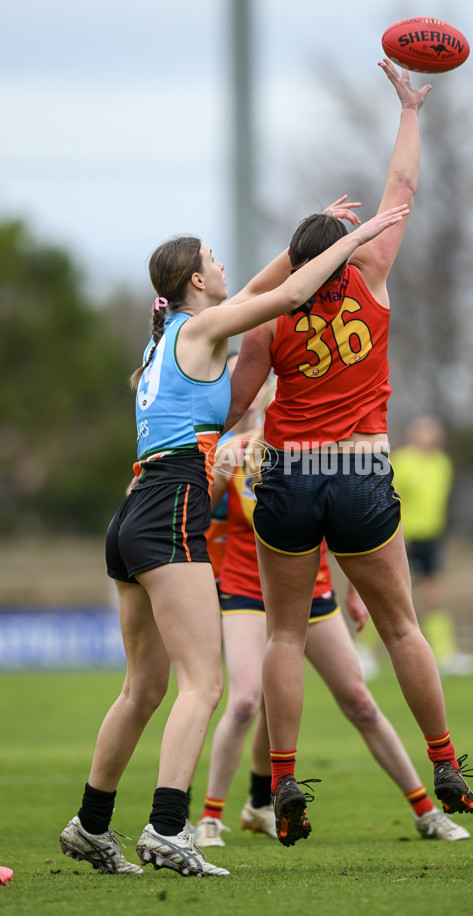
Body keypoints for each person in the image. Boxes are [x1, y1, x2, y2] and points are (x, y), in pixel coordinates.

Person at [58, 202, 411, 877]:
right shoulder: (204, 328)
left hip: (134, 510)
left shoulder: (168, 338)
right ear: (195, 282)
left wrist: (308, 233)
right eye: (214, 258)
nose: (224, 265)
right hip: (172, 508)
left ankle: (90, 825)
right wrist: (358, 239)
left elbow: (260, 290)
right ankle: (167, 830)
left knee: (142, 689)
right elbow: (291, 294)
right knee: (204, 685)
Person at [225, 61, 473, 847]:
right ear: (350, 248)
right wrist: (409, 110)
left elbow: (236, 406)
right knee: (404, 629)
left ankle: (286, 772)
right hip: (362, 470)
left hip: (293, 477)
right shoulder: (371, 278)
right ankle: (442, 761)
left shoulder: (272, 319)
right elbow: (401, 191)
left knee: (285, 635)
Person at [192, 419, 471, 849]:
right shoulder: (235, 453)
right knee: (247, 700)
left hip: (316, 594)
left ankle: (426, 811)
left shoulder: (327, 451)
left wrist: (357, 589)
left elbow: (352, 525)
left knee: (360, 703)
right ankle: (211, 817)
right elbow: (200, 522)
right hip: (247, 592)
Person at [391, 415, 473, 676]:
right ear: (413, 434)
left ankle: (445, 653)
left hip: (433, 538)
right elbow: (391, 499)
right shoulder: (402, 461)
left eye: (434, 432)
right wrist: (399, 536)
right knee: (396, 595)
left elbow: (438, 504)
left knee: (435, 596)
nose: (431, 437)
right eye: (425, 431)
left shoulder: (443, 463)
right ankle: (362, 649)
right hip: (406, 538)